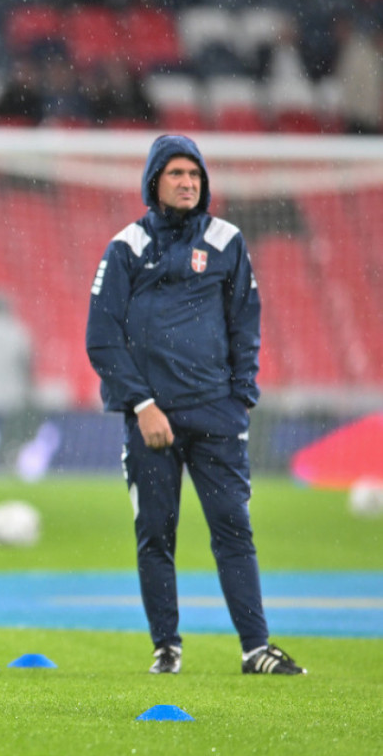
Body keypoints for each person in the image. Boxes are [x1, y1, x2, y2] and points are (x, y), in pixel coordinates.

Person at [85, 134, 306, 676]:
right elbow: (102, 338)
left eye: (195, 175)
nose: (188, 183)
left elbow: (245, 323)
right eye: (177, 174)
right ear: (154, 182)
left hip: (216, 416)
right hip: (151, 421)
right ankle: (167, 647)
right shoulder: (126, 247)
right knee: (156, 535)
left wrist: (241, 396)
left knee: (233, 529)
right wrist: (142, 405)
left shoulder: (227, 240)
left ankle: (256, 648)